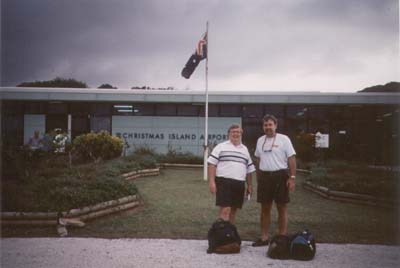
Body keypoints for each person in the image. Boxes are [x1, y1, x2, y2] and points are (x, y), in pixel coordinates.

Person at [252, 114, 296, 247]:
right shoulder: (260, 140)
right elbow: (258, 159)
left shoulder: (284, 139)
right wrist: (259, 178)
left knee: (281, 207)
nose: (268, 127)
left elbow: (291, 158)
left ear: (275, 126)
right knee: (265, 208)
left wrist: (292, 177)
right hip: (265, 177)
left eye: (270, 124)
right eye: (265, 125)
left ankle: (282, 237)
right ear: (263, 127)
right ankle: (264, 237)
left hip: (280, 176)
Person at [208, 124, 256, 224]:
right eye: (233, 132)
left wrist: (250, 185)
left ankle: (230, 234)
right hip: (223, 182)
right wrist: (212, 182)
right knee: (225, 210)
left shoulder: (245, 150)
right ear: (229, 134)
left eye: (238, 132)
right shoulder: (221, 147)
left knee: (233, 211)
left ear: (241, 134)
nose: (236, 134)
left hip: (239, 183)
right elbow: (212, 164)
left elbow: (249, 170)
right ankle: (221, 235)